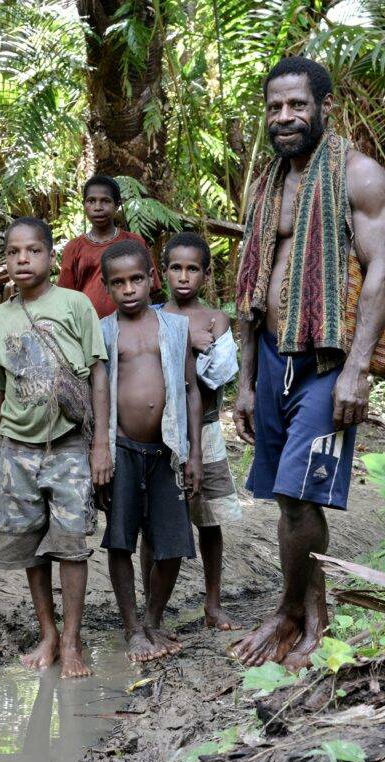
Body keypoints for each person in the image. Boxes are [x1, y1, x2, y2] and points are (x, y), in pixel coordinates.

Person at [232, 56, 385, 670]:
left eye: (297, 105)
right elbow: (251, 287)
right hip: (272, 356)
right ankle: (294, 611)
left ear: (323, 107)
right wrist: (246, 380)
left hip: (327, 358)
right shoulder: (269, 183)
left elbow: (381, 271)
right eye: (275, 107)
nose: (285, 117)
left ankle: (309, 617)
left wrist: (357, 370)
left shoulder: (359, 176)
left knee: (302, 495)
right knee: (286, 495)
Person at [0, 216, 113, 679]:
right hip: (17, 449)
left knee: (71, 545)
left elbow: (97, 374)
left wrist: (100, 447)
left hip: (70, 446)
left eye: (32, 251)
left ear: (51, 256)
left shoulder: (74, 305)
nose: (22, 259)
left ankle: (73, 639)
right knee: (32, 545)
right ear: (5, 260)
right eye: (13, 252)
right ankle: (48, 633)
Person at [99, 239, 203, 662]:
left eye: (136, 279)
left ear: (151, 279)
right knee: (121, 540)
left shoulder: (175, 329)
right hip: (122, 448)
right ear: (107, 287)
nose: (129, 289)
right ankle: (131, 629)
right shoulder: (104, 331)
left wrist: (193, 453)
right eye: (119, 282)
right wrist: (99, 454)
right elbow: (97, 393)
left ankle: (154, 620)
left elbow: (192, 390)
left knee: (173, 542)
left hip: (167, 450)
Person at [139, 232, 241, 631]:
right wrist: (186, 340)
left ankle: (212, 604)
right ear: (162, 273)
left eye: (192, 269)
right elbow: (146, 371)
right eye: (176, 268)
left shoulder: (216, 319)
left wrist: (184, 342)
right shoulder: (151, 313)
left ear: (205, 274)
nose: (184, 276)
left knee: (209, 520)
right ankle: (152, 611)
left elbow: (218, 376)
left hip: (207, 430)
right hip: (159, 434)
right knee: (154, 523)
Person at [58, 174, 161, 317]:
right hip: (88, 326)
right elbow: (66, 297)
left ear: (117, 205)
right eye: (91, 201)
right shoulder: (74, 247)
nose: (98, 207)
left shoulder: (133, 242)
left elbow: (150, 288)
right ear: (84, 205)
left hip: (131, 323)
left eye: (105, 201)